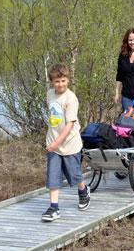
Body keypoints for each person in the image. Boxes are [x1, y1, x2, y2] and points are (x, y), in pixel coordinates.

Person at [42, 63, 90, 222]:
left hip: (69, 144)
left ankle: (83, 192)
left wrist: (57, 143)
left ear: (68, 80)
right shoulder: (50, 94)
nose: (60, 84)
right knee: (53, 176)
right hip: (53, 143)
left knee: (74, 174)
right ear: (51, 82)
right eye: (57, 81)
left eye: (63, 80)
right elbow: (53, 116)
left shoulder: (71, 99)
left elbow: (69, 125)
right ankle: (54, 207)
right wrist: (52, 141)